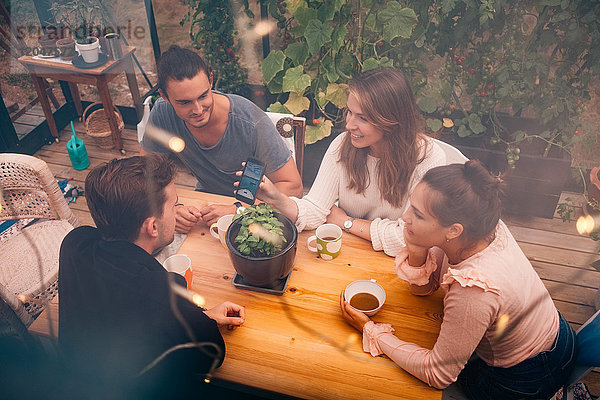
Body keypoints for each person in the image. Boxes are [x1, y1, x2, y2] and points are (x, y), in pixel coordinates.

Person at [340, 161, 577, 399]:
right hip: (555, 332)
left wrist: (372, 331)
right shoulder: (479, 225)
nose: (405, 217)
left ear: (453, 231)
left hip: (526, 375)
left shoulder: (473, 289)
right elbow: (422, 290)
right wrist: (415, 246)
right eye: (411, 207)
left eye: (418, 215)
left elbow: (438, 374)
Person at [58, 154, 245, 398]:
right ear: (152, 227)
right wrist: (196, 318)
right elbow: (211, 357)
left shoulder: (75, 243)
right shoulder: (162, 291)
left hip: (72, 382)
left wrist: (197, 317)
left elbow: (121, 309)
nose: (176, 212)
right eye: (173, 206)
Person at [250, 68, 447, 256]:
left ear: (391, 121)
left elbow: (409, 239)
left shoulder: (429, 159)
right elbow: (316, 210)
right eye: (350, 112)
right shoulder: (342, 145)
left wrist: (346, 222)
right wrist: (277, 198)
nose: (349, 125)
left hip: (397, 263)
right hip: (349, 251)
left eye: (362, 118)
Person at [140, 45, 302, 231]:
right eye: (184, 102)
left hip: (256, 210)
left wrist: (238, 211)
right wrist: (170, 208)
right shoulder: (162, 112)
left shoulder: (252, 124)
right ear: (165, 96)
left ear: (210, 80)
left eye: (203, 96)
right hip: (205, 206)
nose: (198, 110)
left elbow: (293, 187)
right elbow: (146, 171)